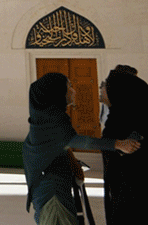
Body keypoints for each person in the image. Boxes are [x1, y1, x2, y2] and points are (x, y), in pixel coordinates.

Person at [23, 72, 139, 225]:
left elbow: (61, 145)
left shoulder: (45, 120)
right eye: (69, 86)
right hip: (52, 194)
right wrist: (118, 144)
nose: (74, 90)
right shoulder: (51, 122)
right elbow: (81, 142)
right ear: (57, 92)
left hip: (52, 188)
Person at [101, 68, 148, 224]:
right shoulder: (119, 119)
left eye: (106, 85)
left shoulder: (125, 124)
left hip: (133, 196)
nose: (102, 89)